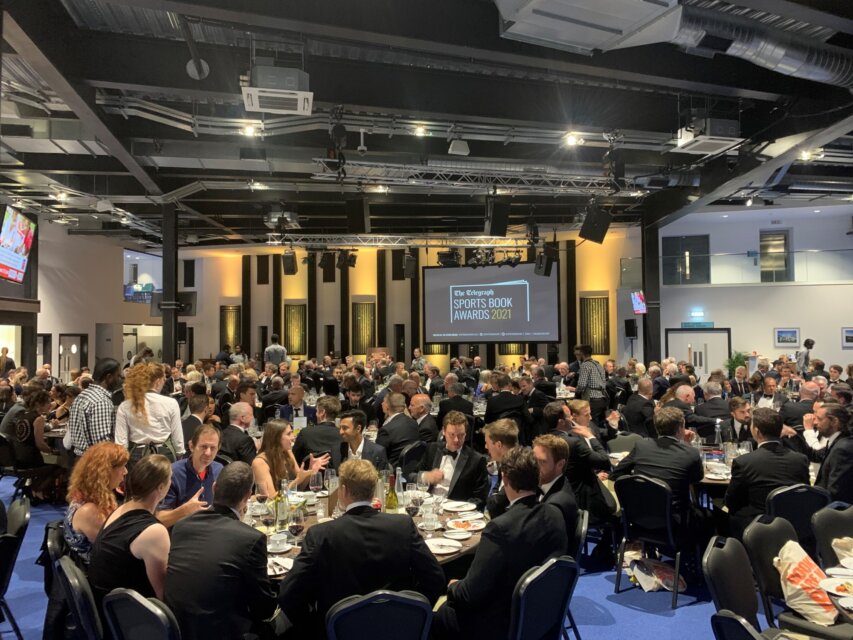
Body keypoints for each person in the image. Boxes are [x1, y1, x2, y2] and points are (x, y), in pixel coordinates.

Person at [278, 459, 445, 636]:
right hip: (398, 629)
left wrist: (317, 625)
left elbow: (288, 595)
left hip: (339, 631)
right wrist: (412, 613)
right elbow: (436, 578)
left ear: (343, 490)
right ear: (373, 490)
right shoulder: (403, 525)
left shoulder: (321, 534)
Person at [433, 447, 568, 639]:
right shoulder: (555, 514)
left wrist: (453, 586)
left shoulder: (500, 528)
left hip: (502, 624)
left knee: (441, 614)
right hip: (541, 616)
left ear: (504, 478)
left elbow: (470, 595)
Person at [165, 462, 278, 639]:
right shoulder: (251, 538)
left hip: (178, 630)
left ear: (214, 487)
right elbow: (264, 610)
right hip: (222, 632)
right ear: (247, 496)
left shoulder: (181, 526)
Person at [612, 407, 709, 544]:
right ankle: (695, 555)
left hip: (636, 517)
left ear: (656, 427)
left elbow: (617, 472)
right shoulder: (691, 453)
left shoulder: (642, 445)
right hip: (674, 522)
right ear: (680, 428)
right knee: (706, 515)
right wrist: (686, 445)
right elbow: (696, 479)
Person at [88, 454, 172, 605]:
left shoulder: (121, 509)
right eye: (170, 479)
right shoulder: (155, 532)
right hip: (127, 612)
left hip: (104, 602)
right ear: (161, 487)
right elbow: (164, 595)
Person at [725, 408, 810, 539]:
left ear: (756, 431)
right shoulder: (800, 460)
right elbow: (804, 494)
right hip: (792, 525)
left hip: (755, 528)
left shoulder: (744, 462)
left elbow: (731, 501)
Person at [64, 442, 129, 564]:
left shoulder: (94, 497)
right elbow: (117, 549)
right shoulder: (88, 511)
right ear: (106, 472)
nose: (125, 472)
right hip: (99, 571)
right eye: (122, 467)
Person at [415, 410, 489, 509]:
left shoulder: (477, 460)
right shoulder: (432, 449)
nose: (456, 440)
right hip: (428, 506)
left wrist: (459, 509)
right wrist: (426, 476)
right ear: (443, 431)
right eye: (452, 435)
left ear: (466, 434)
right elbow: (411, 476)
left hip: (456, 512)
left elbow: (480, 499)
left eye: (461, 435)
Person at [115, 363, 185, 468]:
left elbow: (121, 443)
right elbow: (177, 438)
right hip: (164, 454)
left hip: (136, 455)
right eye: (163, 379)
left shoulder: (125, 406)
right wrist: (179, 455)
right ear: (158, 381)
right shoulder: (171, 403)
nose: (164, 382)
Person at [158, 424, 223, 527]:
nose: (208, 453)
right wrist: (184, 511)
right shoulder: (172, 473)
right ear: (191, 446)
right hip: (180, 533)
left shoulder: (219, 470)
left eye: (213, 448)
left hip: (210, 530)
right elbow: (160, 519)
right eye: (204, 447)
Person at [253, 419, 329, 495]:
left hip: (291, 501)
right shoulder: (260, 462)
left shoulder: (287, 452)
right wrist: (297, 480)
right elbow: (270, 497)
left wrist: (310, 470)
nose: (293, 437)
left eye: (292, 432)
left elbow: (300, 487)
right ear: (276, 438)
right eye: (289, 434)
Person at [68, 358, 123, 458]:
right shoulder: (101, 402)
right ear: (109, 377)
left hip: (80, 457)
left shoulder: (82, 395)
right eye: (118, 376)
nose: (120, 379)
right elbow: (102, 444)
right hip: (95, 460)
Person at [533, 434, 579, 553]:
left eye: (542, 462)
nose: (534, 467)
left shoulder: (556, 504)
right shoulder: (551, 483)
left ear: (560, 464)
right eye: (533, 460)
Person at [813, 402, 853, 503]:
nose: (815, 422)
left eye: (819, 419)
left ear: (834, 421)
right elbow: (816, 455)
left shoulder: (843, 449)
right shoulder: (839, 440)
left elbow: (836, 491)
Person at [292, 395, 343, 469]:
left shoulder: (305, 433)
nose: (315, 414)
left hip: (310, 474)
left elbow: (294, 460)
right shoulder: (343, 435)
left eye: (316, 411)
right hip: (336, 474)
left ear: (322, 412)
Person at [483, 418, 519, 520]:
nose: (486, 447)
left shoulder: (516, 468)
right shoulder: (505, 461)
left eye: (487, 443)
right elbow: (496, 490)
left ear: (498, 445)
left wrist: (492, 500)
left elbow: (496, 505)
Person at [484, 373, 534, 445]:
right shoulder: (519, 399)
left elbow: (487, 420)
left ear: (498, 386)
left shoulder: (491, 401)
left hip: (499, 436)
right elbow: (529, 419)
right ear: (510, 385)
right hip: (517, 436)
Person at [376, 392, 419, 468]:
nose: (381, 404)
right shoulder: (414, 422)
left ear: (387, 406)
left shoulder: (386, 430)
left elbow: (378, 455)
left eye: (383, 401)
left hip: (392, 469)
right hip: (412, 465)